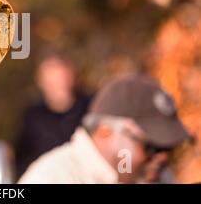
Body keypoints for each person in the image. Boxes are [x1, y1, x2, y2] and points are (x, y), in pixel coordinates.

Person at [18, 74, 192, 184]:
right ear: (104, 132)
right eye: (151, 146)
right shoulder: (53, 178)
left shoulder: (157, 177)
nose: (162, 157)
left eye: (169, 148)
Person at [14, 54, 90, 177]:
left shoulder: (89, 108)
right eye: (50, 80)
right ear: (40, 81)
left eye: (60, 78)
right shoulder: (32, 117)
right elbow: (21, 159)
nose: (56, 85)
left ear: (71, 76)